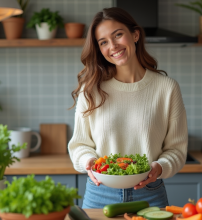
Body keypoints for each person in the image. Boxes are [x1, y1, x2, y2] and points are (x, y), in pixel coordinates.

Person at [68, 7, 188, 209]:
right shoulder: (90, 90)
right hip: (99, 194)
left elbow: (176, 150)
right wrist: (88, 160)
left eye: (118, 35)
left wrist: (159, 167)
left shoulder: (167, 88)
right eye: (103, 42)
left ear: (135, 34)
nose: (113, 46)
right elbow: (79, 145)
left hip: (149, 194)